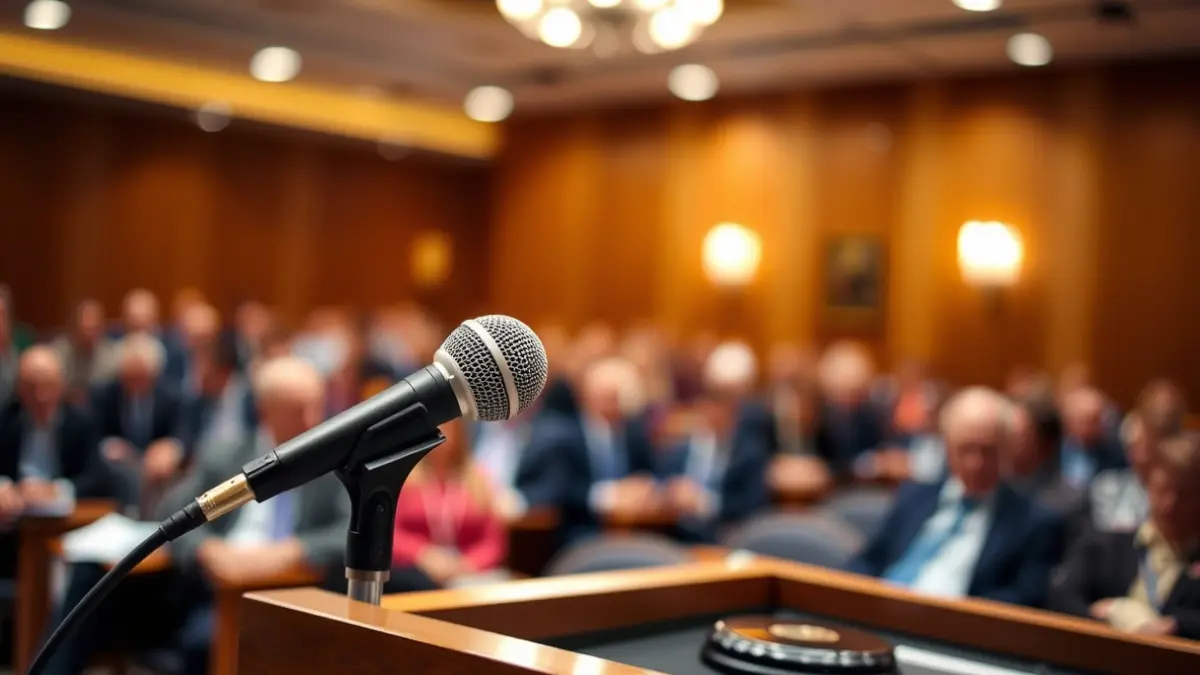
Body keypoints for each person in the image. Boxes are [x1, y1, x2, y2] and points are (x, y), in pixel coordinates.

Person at [42, 356, 350, 675]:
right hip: (213, 589)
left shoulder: (334, 464)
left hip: (292, 593)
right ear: (264, 411)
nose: (313, 419)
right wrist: (207, 550)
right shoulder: (226, 456)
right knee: (91, 579)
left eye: (317, 406)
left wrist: (294, 551)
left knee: (205, 644)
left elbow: (350, 530)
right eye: (298, 410)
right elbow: (174, 511)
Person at [847, 387, 1065, 607]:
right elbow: (868, 562)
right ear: (947, 446)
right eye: (966, 449)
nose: (976, 463)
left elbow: (1024, 599)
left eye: (988, 451)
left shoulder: (1034, 523)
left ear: (1007, 449)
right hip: (880, 609)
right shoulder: (913, 496)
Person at [1047, 433, 1200, 639]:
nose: (1169, 505)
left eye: (1184, 495)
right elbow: (1060, 597)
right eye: (1163, 490)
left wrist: (1176, 625)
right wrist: (1114, 615)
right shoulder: (1106, 546)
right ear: (1148, 487)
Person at [0, 348, 114, 577]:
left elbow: (99, 478)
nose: (40, 396)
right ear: (19, 388)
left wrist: (55, 490)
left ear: (61, 386)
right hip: (12, 528)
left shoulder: (81, 422)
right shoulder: (6, 419)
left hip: (65, 530)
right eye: (32, 387)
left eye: (47, 386)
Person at [525, 356, 656, 544]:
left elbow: (648, 474)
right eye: (607, 397)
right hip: (581, 530)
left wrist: (643, 489)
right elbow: (560, 491)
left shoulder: (633, 433)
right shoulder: (565, 436)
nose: (613, 405)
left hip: (634, 527)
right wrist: (609, 496)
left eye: (618, 398)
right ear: (587, 397)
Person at [389, 419, 508, 590]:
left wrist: (468, 564)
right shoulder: (404, 478)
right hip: (414, 574)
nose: (440, 434)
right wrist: (422, 555)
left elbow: (493, 541)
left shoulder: (478, 480)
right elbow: (391, 534)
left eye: (447, 429)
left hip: (468, 577)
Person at [89, 333, 186, 511]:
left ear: (155, 374)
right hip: (119, 470)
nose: (135, 384)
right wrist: (109, 445)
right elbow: (92, 434)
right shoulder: (104, 395)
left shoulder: (171, 396)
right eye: (129, 378)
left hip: (157, 472)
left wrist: (171, 447)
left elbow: (183, 432)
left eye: (142, 377)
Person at [49, 299, 119, 403]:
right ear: (74, 326)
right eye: (86, 327)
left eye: (94, 327)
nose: (89, 333)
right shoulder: (57, 353)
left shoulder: (110, 353)